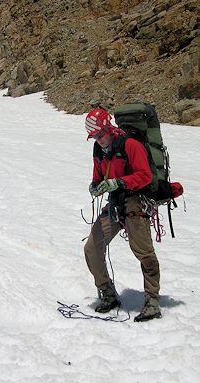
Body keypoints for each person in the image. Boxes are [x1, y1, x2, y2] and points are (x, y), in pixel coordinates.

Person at [84, 108, 161, 322]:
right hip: (115, 203)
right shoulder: (98, 150)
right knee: (92, 247)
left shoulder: (130, 145)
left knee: (143, 252)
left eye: (100, 135)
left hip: (136, 200)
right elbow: (98, 176)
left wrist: (119, 182)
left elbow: (145, 176)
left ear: (109, 128)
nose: (98, 140)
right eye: (94, 137)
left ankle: (152, 300)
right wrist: (95, 186)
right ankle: (107, 293)